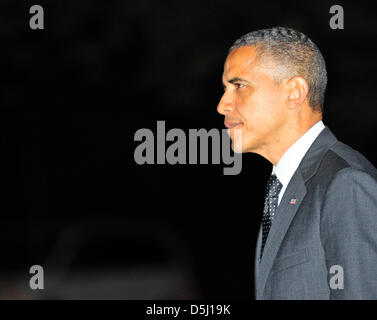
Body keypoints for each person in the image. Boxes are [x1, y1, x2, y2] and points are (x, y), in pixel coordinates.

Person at [217, 26, 377, 299]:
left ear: (294, 92)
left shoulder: (345, 183)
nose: (223, 105)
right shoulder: (283, 189)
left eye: (239, 86)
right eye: (225, 89)